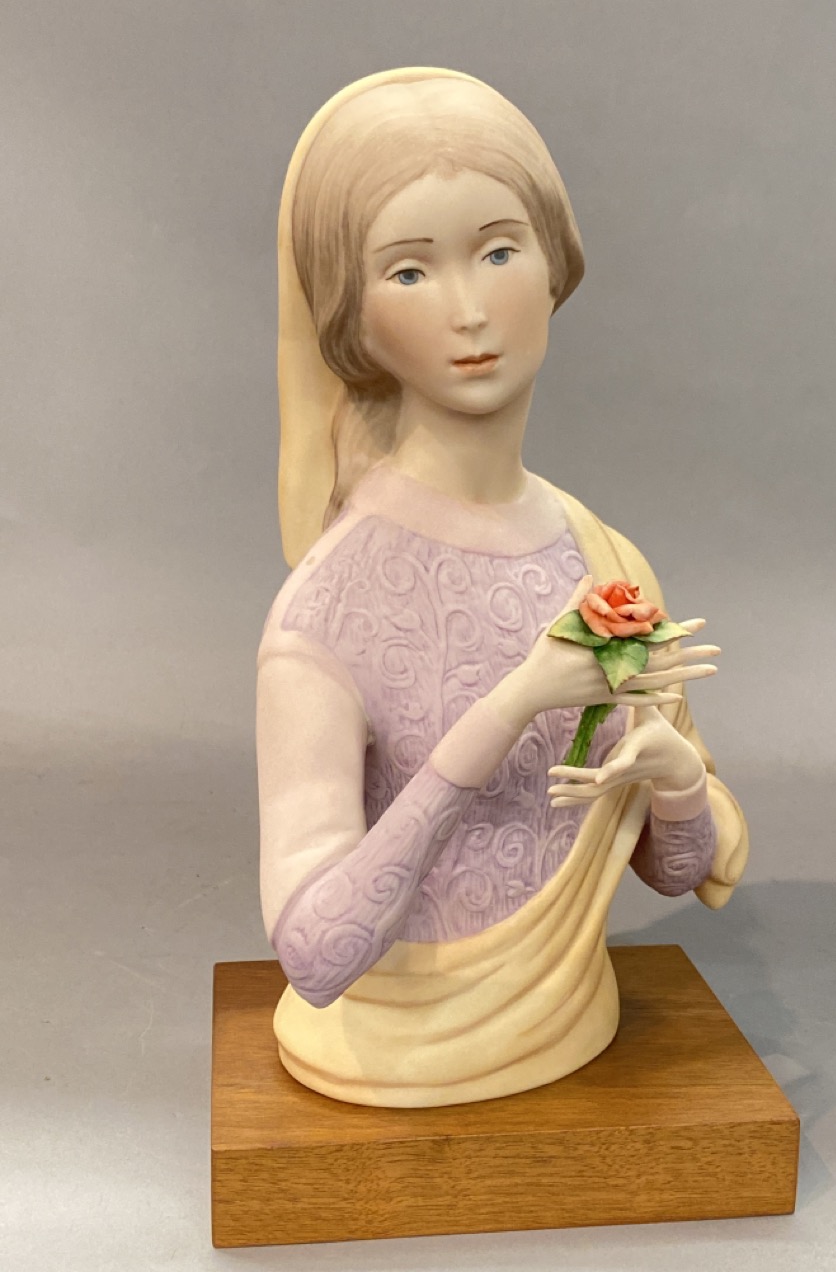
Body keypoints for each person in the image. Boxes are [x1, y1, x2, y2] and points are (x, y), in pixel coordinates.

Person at [257, 67, 749, 1107]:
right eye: (409, 271)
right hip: (384, 1043)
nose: (471, 309)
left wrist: (674, 781)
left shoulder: (605, 560)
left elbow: (674, 870)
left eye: (497, 250)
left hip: (575, 1017)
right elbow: (315, 952)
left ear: (554, 261)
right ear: (352, 317)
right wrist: (511, 705)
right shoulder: (328, 610)